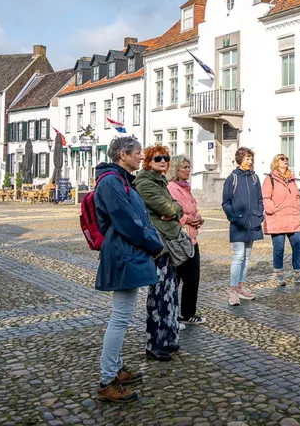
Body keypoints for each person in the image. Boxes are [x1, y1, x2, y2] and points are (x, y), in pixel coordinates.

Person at [94, 136, 164, 403]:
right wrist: (154, 244)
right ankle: (107, 379)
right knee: (120, 317)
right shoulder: (113, 182)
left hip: (128, 252)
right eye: (137, 153)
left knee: (122, 315)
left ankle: (116, 369)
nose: (140, 157)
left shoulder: (120, 180)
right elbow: (129, 222)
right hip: (124, 253)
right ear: (122, 154)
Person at [133, 145, 185, 362]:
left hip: (167, 243)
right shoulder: (146, 184)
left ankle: (169, 338)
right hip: (158, 245)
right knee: (159, 295)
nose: (163, 161)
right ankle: (155, 343)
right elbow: (171, 209)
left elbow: (176, 208)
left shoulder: (160, 181)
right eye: (158, 159)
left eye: (166, 158)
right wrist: (174, 210)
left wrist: (175, 209)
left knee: (170, 293)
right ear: (148, 162)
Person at [263, 154, 300, 286]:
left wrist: (297, 206)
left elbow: (297, 195)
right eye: (282, 159)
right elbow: (265, 197)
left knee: (298, 243)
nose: (285, 161)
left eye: (286, 159)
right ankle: (279, 274)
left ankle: (299, 273)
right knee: (279, 247)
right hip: (277, 217)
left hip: (292, 217)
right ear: (276, 162)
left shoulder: (291, 179)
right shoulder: (270, 179)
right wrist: (272, 209)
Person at [222, 147, 264, 306]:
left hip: (253, 223)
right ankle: (232, 290)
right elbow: (226, 203)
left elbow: (260, 199)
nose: (250, 162)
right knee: (238, 256)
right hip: (239, 224)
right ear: (240, 159)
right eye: (247, 159)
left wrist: (259, 215)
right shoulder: (232, 178)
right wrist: (234, 218)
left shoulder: (255, 178)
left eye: (251, 159)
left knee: (247, 257)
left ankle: (241, 286)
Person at [167, 154, 207, 325]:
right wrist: (187, 220)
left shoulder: (186, 188)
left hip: (191, 239)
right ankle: (171, 314)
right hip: (178, 241)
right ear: (176, 169)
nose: (188, 170)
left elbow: (192, 209)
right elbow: (170, 213)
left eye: (189, 167)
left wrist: (198, 218)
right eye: (185, 167)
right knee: (175, 279)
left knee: (193, 279)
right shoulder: (172, 188)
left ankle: (188, 313)